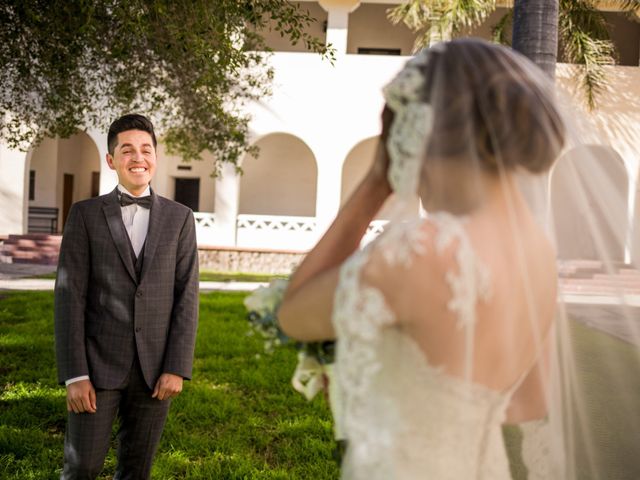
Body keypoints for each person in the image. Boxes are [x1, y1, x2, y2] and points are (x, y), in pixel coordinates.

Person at [279, 38, 640, 479]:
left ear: (418, 138)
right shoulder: (537, 252)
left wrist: (375, 181)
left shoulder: (420, 248)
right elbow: (530, 400)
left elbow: (294, 313)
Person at [54, 113, 199, 479]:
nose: (138, 157)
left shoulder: (180, 218)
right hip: (96, 368)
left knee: (137, 470)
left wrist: (176, 367)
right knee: (82, 467)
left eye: (146, 149)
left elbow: (187, 296)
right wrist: (75, 375)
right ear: (111, 160)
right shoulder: (85, 215)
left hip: (155, 373)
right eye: (127, 150)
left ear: (156, 156)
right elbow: (69, 296)